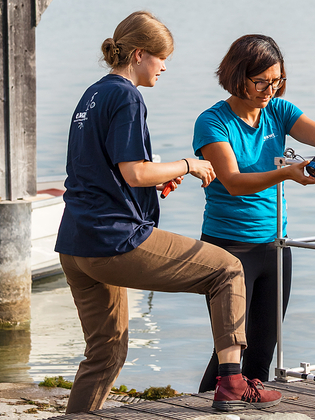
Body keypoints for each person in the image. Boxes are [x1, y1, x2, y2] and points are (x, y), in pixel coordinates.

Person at [55, 12, 281, 413]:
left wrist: (156, 179)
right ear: (139, 54)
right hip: (113, 240)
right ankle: (232, 382)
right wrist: (187, 165)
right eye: (161, 58)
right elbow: (135, 172)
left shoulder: (93, 93)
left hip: (75, 244)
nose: (164, 67)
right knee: (227, 269)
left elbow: (104, 170)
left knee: (105, 351)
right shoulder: (127, 96)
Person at [192, 34, 315, 392]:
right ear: (238, 75)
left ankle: (247, 410)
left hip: (275, 247)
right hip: (228, 249)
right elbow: (233, 182)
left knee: (261, 354)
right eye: (261, 82)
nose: (270, 90)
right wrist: (285, 173)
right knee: (228, 355)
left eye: (277, 81)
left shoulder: (279, 111)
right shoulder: (212, 122)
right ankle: (199, 410)